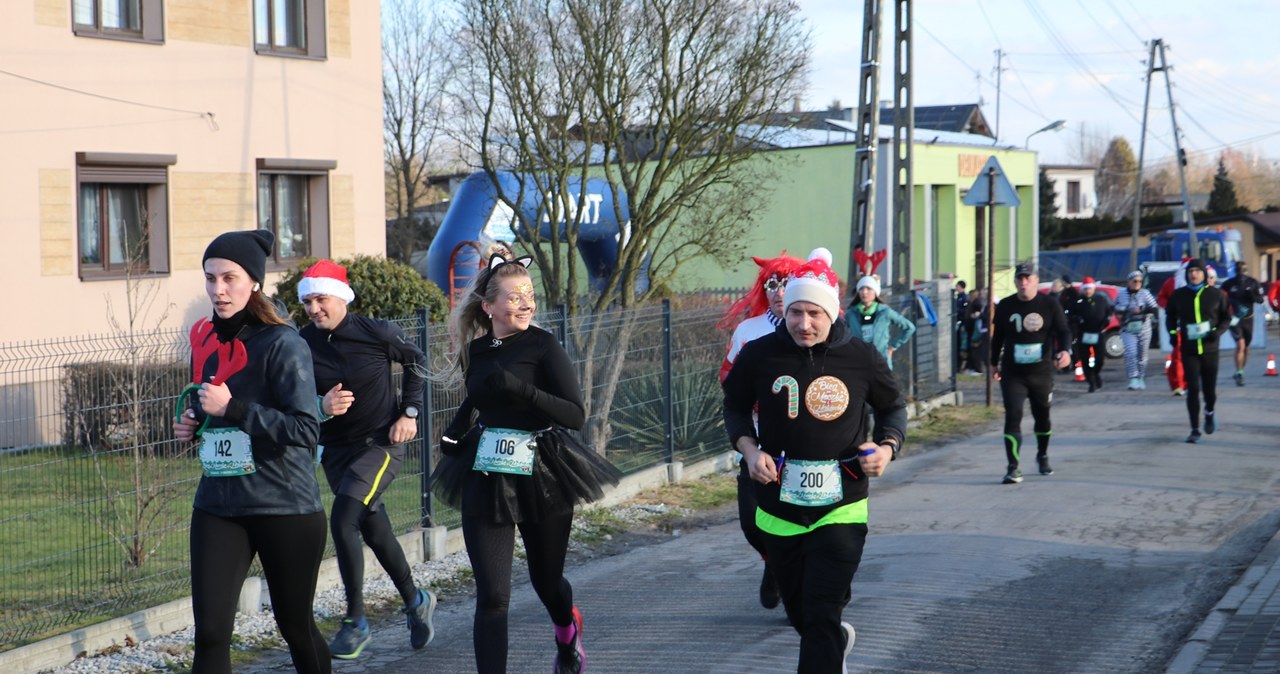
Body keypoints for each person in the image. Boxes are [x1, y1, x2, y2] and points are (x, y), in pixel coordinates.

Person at [432, 253, 621, 674]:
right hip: (487, 470)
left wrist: (523, 390)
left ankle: (567, 630)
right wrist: (456, 428)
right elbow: (478, 395)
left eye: (529, 296)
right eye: (514, 297)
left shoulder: (543, 345)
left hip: (545, 470)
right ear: (488, 307)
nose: (524, 304)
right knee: (493, 596)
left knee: (546, 581)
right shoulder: (476, 351)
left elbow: (575, 414)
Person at [722, 254, 907, 674]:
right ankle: (834, 639)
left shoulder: (860, 357)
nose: (804, 323)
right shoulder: (758, 354)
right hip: (777, 506)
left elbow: (893, 408)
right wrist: (750, 451)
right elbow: (733, 407)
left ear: (832, 312)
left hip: (841, 505)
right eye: (795, 312)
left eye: (814, 313)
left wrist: (887, 448)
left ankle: (829, 640)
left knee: (822, 613)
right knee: (805, 617)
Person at [173, 230, 331, 674]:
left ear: (254, 282)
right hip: (220, 505)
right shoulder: (206, 339)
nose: (218, 290)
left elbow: (305, 428)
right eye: (210, 278)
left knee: (295, 627)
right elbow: (212, 413)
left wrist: (234, 408)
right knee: (210, 634)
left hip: (283, 504)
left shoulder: (283, 344)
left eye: (229, 278)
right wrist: (194, 424)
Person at [296, 260, 437, 659]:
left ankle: (355, 621)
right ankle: (415, 600)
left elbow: (417, 361)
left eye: (320, 298)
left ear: (339, 297)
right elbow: (289, 392)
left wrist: (409, 413)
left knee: (343, 520)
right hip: (336, 451)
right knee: (374, 530)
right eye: (307, 301)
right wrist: (319, 405)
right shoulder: (302, 341)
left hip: (379, 445)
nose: (313, 308)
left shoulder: (376, 332)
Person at [717, 249, 805, 611]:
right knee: (752, 521)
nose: (779, 291)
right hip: (757, 440)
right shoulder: (748, 331)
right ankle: (774, 563)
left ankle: (798, 581)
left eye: (786, 283)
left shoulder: (810, 328)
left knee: (796, 517)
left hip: (802, 441)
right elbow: (728, 378)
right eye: (772, 283)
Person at [990, 263, 1073, 484]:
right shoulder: (1006, 305)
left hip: (1041, 372)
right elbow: (997, 337)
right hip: (1013, 373)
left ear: (1036, 280)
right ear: (1016, 281)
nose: (1023, 282)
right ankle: (1013, 467)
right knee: (1013, 415)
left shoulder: (1049, 304)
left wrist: (1065, 351)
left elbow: (1064, 331)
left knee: (1042, 416)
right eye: (1020, 278)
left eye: (1028, 278)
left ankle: (1042, 454)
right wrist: (992, 363)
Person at [1165, 258, 1232, 444]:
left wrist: (1216, 332)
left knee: (1209, 391)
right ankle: (1194, 429)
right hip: (1189, 349)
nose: (1193, 274)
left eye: (1197, 270)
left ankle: (1209, 412)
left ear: (1204, 273)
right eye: (1190, 271)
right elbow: (1170, 316)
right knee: (1193, 389)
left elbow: (1227, 317)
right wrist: (1172, 333)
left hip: (1210, 349)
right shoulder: (1179, 295)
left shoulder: (1216, 294)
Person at [849, 274, 917, 367]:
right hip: (858, 363)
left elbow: (910, 328)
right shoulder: (851, 314)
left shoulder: (885, 312)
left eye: (868, 288)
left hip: (881, 362)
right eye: (861, 289)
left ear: (875, 292)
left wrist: (893, 346)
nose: (864, 292)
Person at [1220, 260, 1267, 386]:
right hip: (1234, 320)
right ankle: (1240, 373)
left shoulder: (1253, 282)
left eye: (1243, 269)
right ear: (1235, 270)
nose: (1241, 272)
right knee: (1240, 345)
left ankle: (1240, 370)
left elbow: (1260, 300)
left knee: (1245, 347)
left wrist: (1251, 294)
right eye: (1238, 269)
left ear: (1246, 270)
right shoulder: (1228, 284)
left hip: (1248, 319)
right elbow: (1219, 297)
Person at [1114, 270, 1161, 390]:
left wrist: (1142, 311)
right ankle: (1133, 378)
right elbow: (1114, 307)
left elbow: (1155, 308)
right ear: (1128, 282)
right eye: (1135, 281)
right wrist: (1123, 311)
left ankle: (1141, 377)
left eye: (1140, 281)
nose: (1137, 283)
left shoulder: (1145, 293)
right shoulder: (1121, 294)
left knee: (1142, 355)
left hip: (1143, 328)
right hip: (1127, 328)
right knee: (1130, 352)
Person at [1070, 277, 1113, 392]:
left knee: (1100, 359)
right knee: (1085, 359)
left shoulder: (1101, 299)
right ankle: (1091, 382)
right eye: (1086, 289)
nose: (1088, 291)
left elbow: (1109, 311)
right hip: (1083, 334)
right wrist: (1076, 319)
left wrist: (1106, 320)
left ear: (1093, 289)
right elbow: (1069, 315)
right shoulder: (1078, 301)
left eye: (1090, 289)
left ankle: (1096, 373)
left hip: (1098, 332)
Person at [1156, 259, 1192, 396]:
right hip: (1176, 325)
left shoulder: (1199, 285)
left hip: (1194, 326)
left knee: (1193, 357)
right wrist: (1170, 307)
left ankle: (1190, 383)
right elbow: (1161, 297)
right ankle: (1178, 384)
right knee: (1177, 356)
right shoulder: (1171, 282)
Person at [954, 280, 971, 372]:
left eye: (957, 286)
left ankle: (959, 366)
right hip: (957, 323)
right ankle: (957, 366)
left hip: (961, 323)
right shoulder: (958, 297)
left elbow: (964, 311)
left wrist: (957, 311)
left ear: (961, 287)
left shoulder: (964, 298)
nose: (956, 288)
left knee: (960, 344)